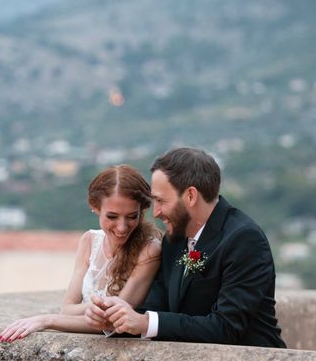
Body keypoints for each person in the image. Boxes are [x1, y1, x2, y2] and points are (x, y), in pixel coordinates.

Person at [85, 147, 286, 347]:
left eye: (161, 201)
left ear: (190, 196)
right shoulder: (175, 240)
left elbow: (226, 327)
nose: (155, 212)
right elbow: (157, 306)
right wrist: (114, 317)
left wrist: (145, 323)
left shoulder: (243, 239)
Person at [0, 165, 161, 342]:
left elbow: (114, 322)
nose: (122, 227)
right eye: (112, 217)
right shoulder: (89, 241)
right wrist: (90, 310)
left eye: (131, 216)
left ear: (141, 211)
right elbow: (67, 309)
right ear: (95, 207)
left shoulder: (149, 251)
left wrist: (47, 320)